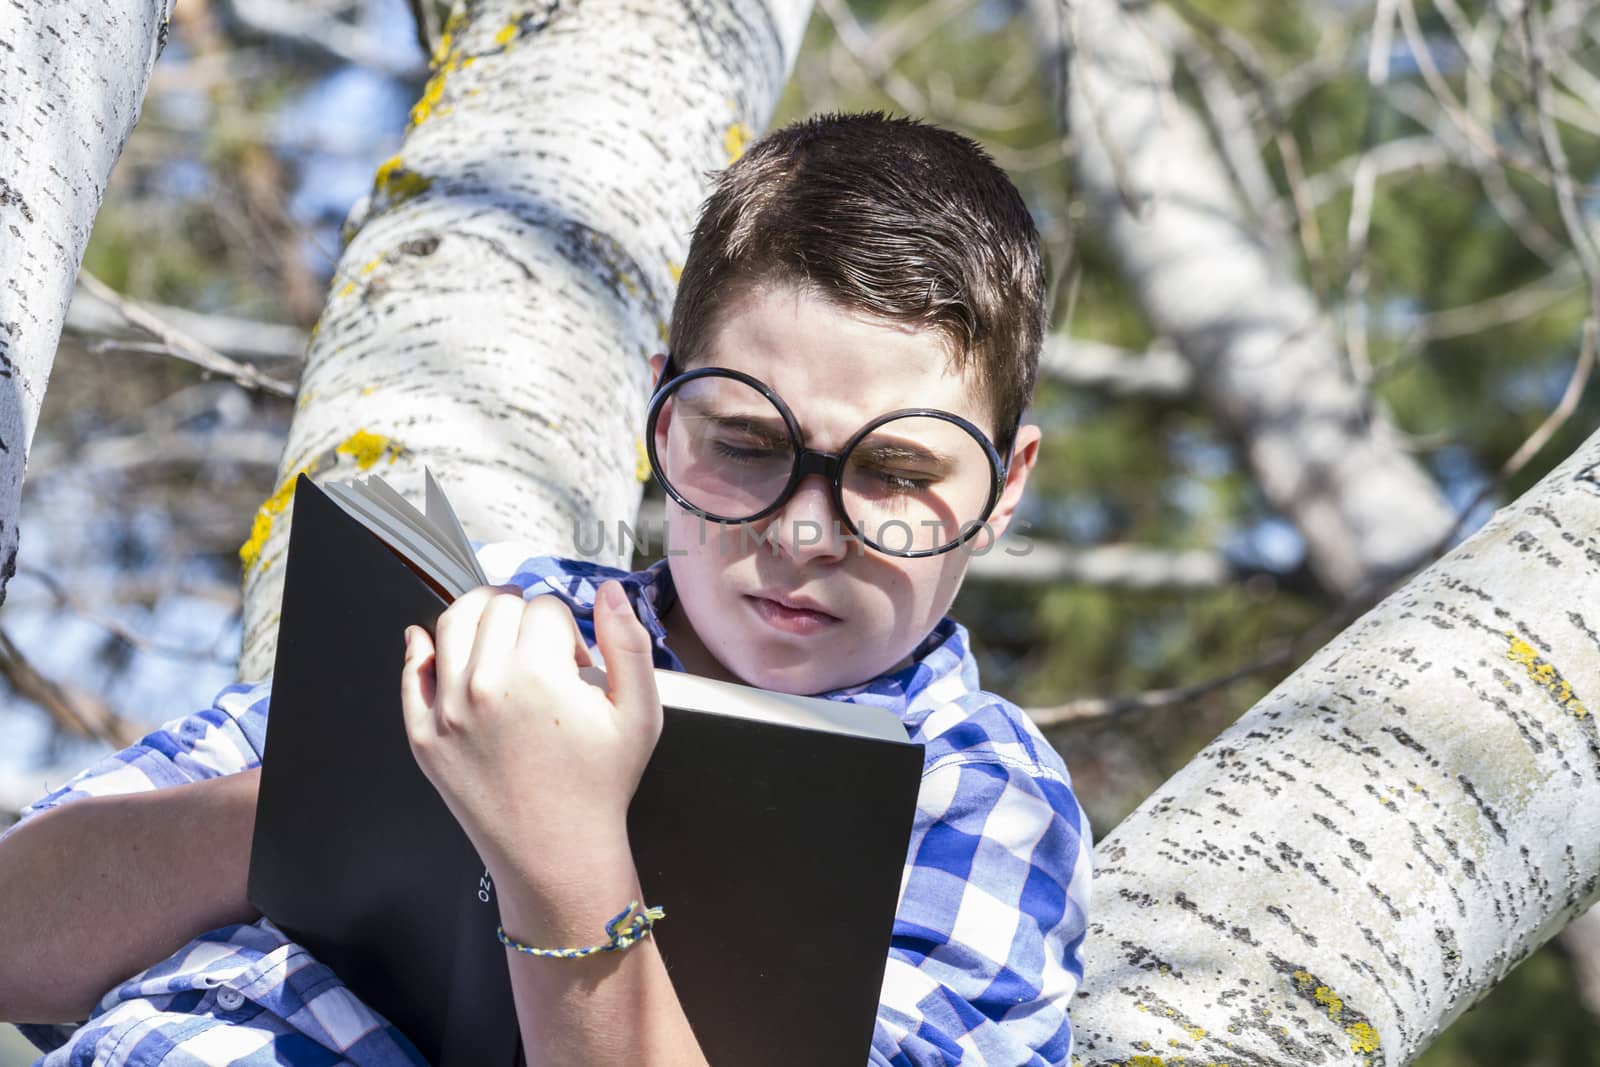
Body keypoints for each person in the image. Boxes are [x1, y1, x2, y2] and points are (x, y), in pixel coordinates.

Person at [0, 112, 1091, 1066]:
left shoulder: (980, 800)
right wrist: (362, 797)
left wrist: (561, 858)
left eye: (897, 472)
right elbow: (17, 936)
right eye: (748, 443)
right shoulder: (492, 633)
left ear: (1004, 486)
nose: (807, 530)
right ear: (663, 415)